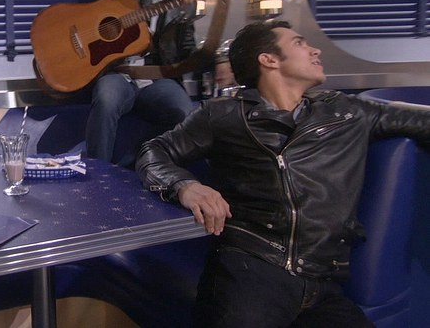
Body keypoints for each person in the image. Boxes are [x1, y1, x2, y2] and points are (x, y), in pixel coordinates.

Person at [135, 20, 430, 327]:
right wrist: (185, 186)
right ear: (269, 59)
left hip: (323, 280)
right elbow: (153, 151)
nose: (315, 50)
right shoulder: (222, 114)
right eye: (300, 43)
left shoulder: (348, 111)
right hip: (251, 269)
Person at [86, 0, 227, 166]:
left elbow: (186, 48)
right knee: (107, 99)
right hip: (119, 72)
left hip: (157, 76)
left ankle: (149, 167)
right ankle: (98, 174)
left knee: (185, 113)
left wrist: (216, 61)